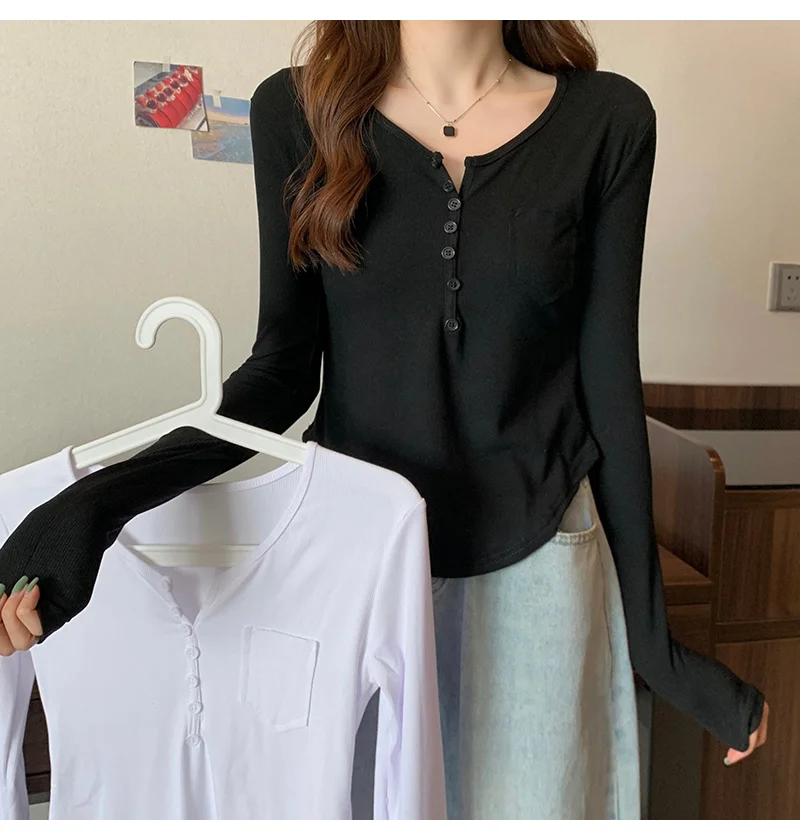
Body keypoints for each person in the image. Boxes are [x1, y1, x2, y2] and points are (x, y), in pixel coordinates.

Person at [0, 21, 768, 819]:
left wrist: (659, 651)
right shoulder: (298, 110)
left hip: (542, 560)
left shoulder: (607, 120)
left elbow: (608, 382)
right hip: (355, 566)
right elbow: (279, 371)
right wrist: (94, 506)